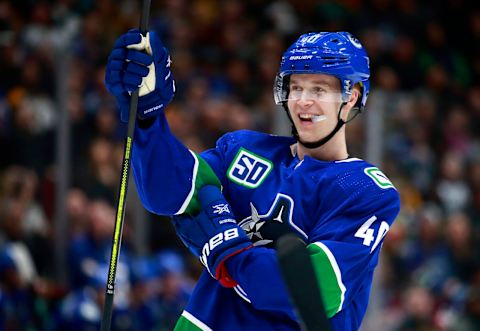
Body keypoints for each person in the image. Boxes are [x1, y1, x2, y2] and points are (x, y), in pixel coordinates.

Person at [105, 29, 400, 331]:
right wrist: (147, 118)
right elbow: (166, 194)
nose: (303, 101)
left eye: (319, 90)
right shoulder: (242, 150)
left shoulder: (365, 190)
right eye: (296, 87)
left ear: (351, 96)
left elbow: (308, 291)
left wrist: (226, 248)